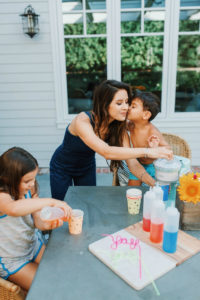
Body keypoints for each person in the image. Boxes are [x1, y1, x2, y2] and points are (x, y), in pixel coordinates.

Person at [50, 80, 173, 200]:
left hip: (86, 167)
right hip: (62, 167)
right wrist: (147, 151)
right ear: (105, 103)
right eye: (119, 103)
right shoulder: (82, 121)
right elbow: (106, 152)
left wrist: (154, 184)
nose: (126, 107)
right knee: (61, 205)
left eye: (127, 102)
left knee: (87, 203)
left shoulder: (118, 126)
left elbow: (133, 164)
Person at [0, 147, 72, 291]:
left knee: (63, 273)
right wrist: (52, 201)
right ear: (9, 179)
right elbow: (13, 209)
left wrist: (46, 224)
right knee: (46, 286)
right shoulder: (2, 196)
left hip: (33, 246)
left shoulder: (30, 189)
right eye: (27, 180)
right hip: (13, 259)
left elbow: (37, 220)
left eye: (34, 178)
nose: (32, 184)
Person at [121, 90, 170, 186]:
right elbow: (119, 125)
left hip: (154, 166)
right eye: (129, 105)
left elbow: (167, 148)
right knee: (132, 189)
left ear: (146, 115)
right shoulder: (131, 125)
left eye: (133, 106)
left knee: (153, 190)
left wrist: (155, 148)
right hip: (138, 164)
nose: (128, 108)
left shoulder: (152, 131)